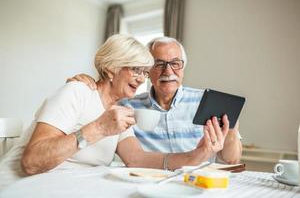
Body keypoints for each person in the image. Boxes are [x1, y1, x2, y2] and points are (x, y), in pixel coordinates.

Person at [0, 34, 229, 190]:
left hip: (64, 188)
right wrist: (97, 129)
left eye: (145, 72)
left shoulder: (120, 110)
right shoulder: (76, 92)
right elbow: (31, 162)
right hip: (21, 187)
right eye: (136, 70)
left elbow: (138, 159)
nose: (142, 79)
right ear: (111, 68)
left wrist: (196, 155)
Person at [69, 36, 242, 164]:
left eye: (175, 63)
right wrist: (89, 83)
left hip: (198, 185)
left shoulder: (207, 102)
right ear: (148, 71)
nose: (168, 72)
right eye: (159, 64)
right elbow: (102, 96)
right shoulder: (126, 105)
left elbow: (231, 160)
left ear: (183, 68)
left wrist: (231, 129)